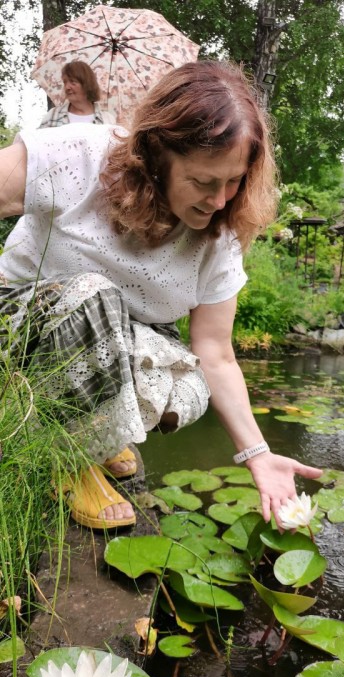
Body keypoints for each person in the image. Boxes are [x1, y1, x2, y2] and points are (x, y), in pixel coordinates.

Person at [0, 59, 322, 531]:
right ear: (155, 155)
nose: (219, 201)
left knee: (185, 383)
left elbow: (215, 351)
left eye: (233, 182)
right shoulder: (77, 155)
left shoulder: (219, 236)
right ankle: (68, 462)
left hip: (108, 341)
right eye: (203, 181)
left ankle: (101, 437)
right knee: (94, 296)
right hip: (20, 334)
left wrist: (258, 454)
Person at [39, 60, 115, 127]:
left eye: (73, 82)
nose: (67, 87)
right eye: (65, 82)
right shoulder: (53, 116)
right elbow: (38, 142)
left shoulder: (107, 120)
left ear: (87, 84)